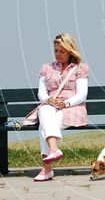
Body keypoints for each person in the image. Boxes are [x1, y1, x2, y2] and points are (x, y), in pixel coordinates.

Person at [33, 33, 89, 182]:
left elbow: (82, 95)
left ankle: (46, 169)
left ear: (70, 51)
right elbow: (41, 92)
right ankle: (53, 149)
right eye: (56, 51)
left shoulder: (80, 68)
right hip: (51, 107)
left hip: (73, 108)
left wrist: (65, 103)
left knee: (44, 126)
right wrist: (48, 100)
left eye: (62, 51)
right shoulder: (47, 68)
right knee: (44, 110)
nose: (58, 54)